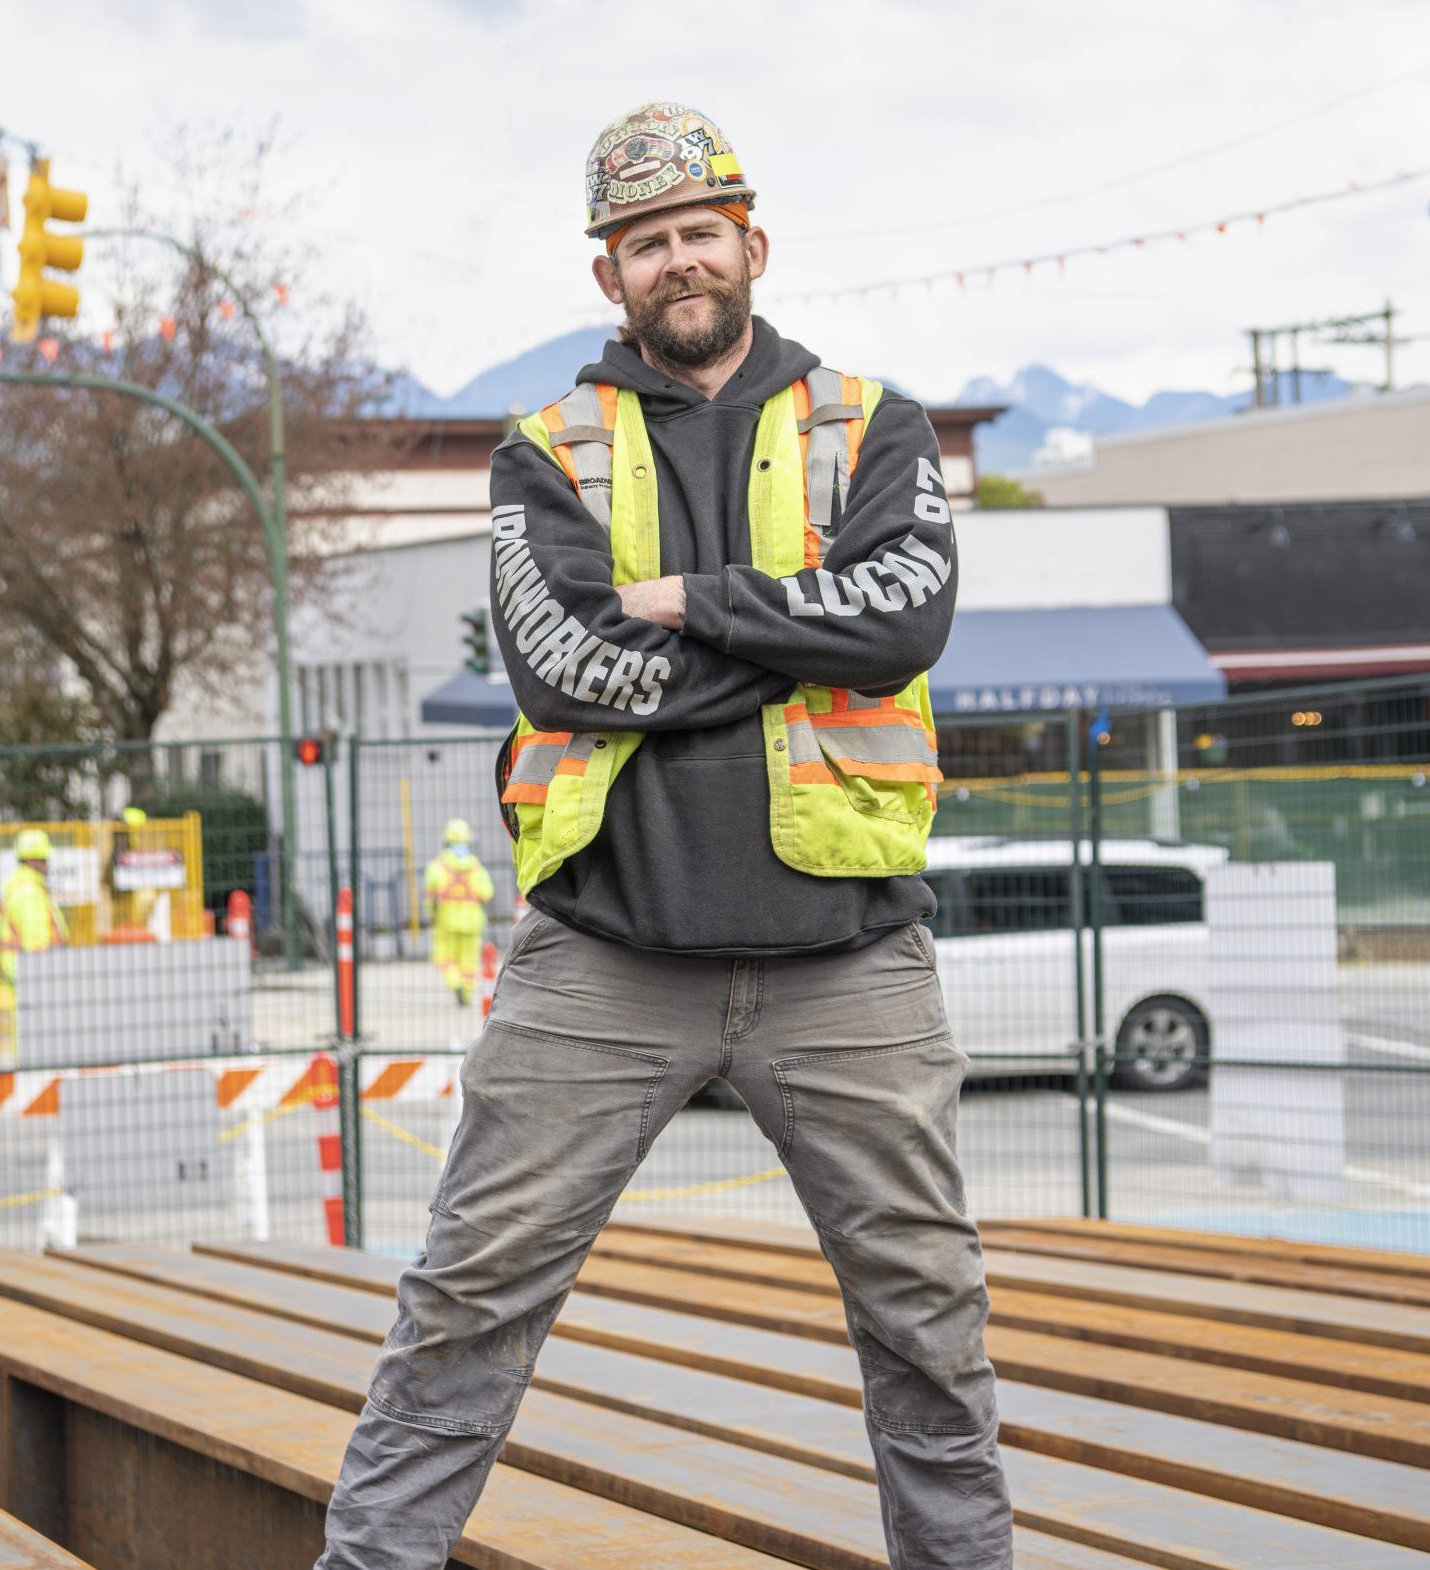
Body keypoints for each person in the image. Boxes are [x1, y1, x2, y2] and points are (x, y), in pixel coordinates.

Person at [315, 102, 1011, 1570]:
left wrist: (686, 601)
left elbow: (911, 624)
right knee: (466, 1296)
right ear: (608, 276)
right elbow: (566, 671)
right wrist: (800, 624)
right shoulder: (542, 449)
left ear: (751, 243)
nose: (677, 261)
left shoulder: (869, 423)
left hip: (848, 958)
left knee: (927, 1315)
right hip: (602, 959)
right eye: (646, 243)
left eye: (700, 232)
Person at [422, 818, 494, 1006]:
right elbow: (487, 893)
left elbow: (430, 897)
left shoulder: (436, 867)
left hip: (446, 921)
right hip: (472, 921)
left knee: (444, 957)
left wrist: (431, 915)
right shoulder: (476, 867)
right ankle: (467, 994)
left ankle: (455, 984)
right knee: (469, 962)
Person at [0, 828, 69, 989]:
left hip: (26, 974)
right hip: (35, 976)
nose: (47, 864)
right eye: (44, 859)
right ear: (33, 860)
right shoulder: (28, 892)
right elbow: (36, 942)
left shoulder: (24, 886)